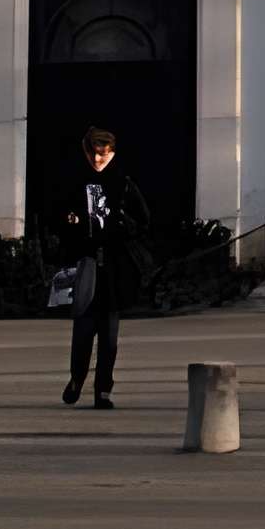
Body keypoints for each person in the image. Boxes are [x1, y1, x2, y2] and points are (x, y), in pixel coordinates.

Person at [59, 128, 149, 408]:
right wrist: (69, 223)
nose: (99, 160)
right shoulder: (75, 182)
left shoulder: (122, 183)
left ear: (113, 152)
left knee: (109, 336)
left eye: (105, 154)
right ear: (86, 152)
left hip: (114, 266)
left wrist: (124, 228)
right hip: (86, 264)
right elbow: (57, 215)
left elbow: (144, 219)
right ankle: (77, 379)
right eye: (95, 154)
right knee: (83, 330)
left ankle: (103, 391)